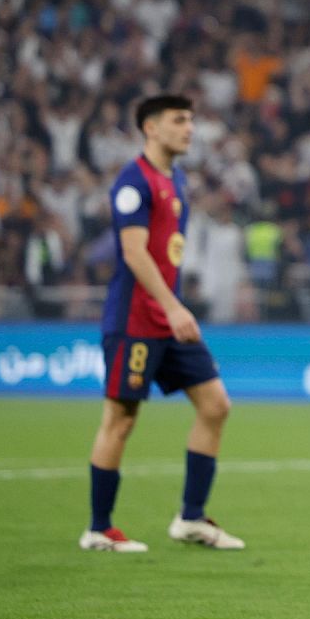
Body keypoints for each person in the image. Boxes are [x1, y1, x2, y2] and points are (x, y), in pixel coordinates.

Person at [82, 95, 243, 554]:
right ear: (151, 128)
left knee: (215, 405)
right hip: (136, 320)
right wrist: (174, 307)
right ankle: (98, 528)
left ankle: (190, 518)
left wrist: (173, 309)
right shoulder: (134, 181)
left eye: (191, 119)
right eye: (178, 120)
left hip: (168, 319)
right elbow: (133, 253)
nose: (189, 128)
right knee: (121, 419)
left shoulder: (176, 179)